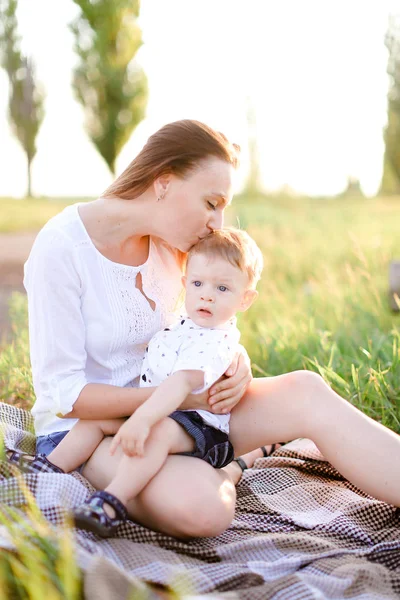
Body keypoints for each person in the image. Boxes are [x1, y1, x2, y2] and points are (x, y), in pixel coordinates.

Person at [11, 119, 400, 540]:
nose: (217, 222)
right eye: (211, 202)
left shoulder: (173, 245)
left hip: (183, 410)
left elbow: (202, 327)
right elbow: (64, 396)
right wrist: (167, 399)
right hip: (87, 431)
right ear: (164, 183)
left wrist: (237, 362)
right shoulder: (63, 247)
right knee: (203, 509)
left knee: (306, 391)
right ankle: (232, 468)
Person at [14, 228, 263, 537]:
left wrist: (142, 419)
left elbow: (182, 382)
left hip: (200, 426)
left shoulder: (216, 342)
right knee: (96, 422)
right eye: (198, 284)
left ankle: (111, 503)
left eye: (223, 288)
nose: (207, 294)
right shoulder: (184, 325)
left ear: (245, 299)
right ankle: (46, 469)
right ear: (186, 285)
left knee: (155, 434)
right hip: (164, 411)